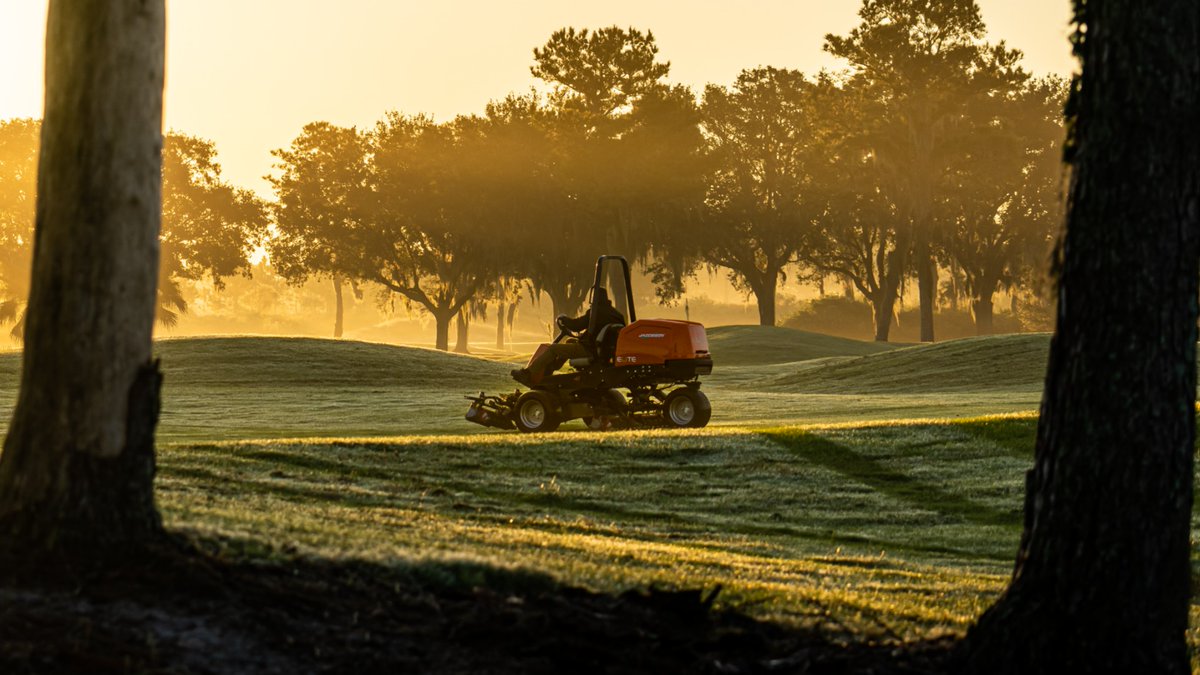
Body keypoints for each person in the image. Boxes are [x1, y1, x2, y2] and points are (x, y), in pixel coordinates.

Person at [512, 288, 625, 385]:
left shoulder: (596, 312)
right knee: (570, 341)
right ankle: (551, 367)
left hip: (590, 350)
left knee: (553, 349)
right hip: (604, 351)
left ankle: (528, 374)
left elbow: (577, 326)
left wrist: (563, 319)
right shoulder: (617, 315)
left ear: (595, 298)